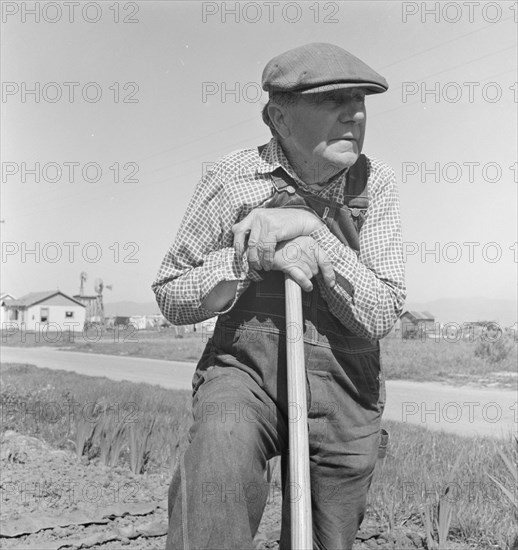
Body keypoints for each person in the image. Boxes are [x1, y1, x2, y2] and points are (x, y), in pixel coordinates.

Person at [152, 42, 406, 550]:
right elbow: (171, 292)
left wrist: (313, 231)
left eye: (360, 102)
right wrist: (249, 260)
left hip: (345, 387)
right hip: (247, 374)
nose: (354, 113)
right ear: (279, 117)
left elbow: (383, 310)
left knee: (325, 536)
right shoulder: (232, 177)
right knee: (217, 461)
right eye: (333, 101)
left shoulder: (375, 185)